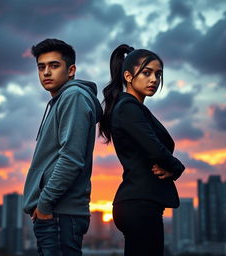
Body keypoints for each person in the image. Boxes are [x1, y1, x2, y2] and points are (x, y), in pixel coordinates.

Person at [99, 44, 185, 256]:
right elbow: (155, 149)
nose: (154, 79)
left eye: (158, 74)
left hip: (140, 202)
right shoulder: (128, 107)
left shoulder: (131, 107)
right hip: (139, 203)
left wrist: (169, 167)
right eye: (147, 73)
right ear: (128, 76)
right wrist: (177, 168)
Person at [23, 38, 102, 256]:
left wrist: (45, 204)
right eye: (41, 67)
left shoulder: (73, 97)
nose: (46, 72)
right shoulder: (61, 100)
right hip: (56, 213)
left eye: (54, 65)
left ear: (71, 70)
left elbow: (71, 158)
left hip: (60, 213)